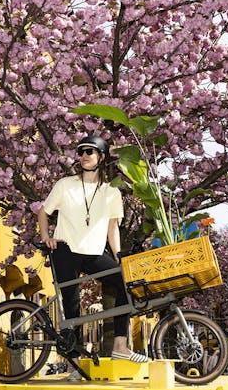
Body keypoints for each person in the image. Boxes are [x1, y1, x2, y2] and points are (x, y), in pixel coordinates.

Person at [37, 135, 148, 375]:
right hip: (65, 249)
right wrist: (46, 236)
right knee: (72, 304)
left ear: (102, 156)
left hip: (93, 252)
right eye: (81, 152)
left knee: (124, 282)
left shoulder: (111, 192)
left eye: (90, 151)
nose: (84, 156)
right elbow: (44, 213)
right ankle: (73, 362)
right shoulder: (65, 184)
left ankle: (120, 345)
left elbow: (112, 228)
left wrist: (119, 257)